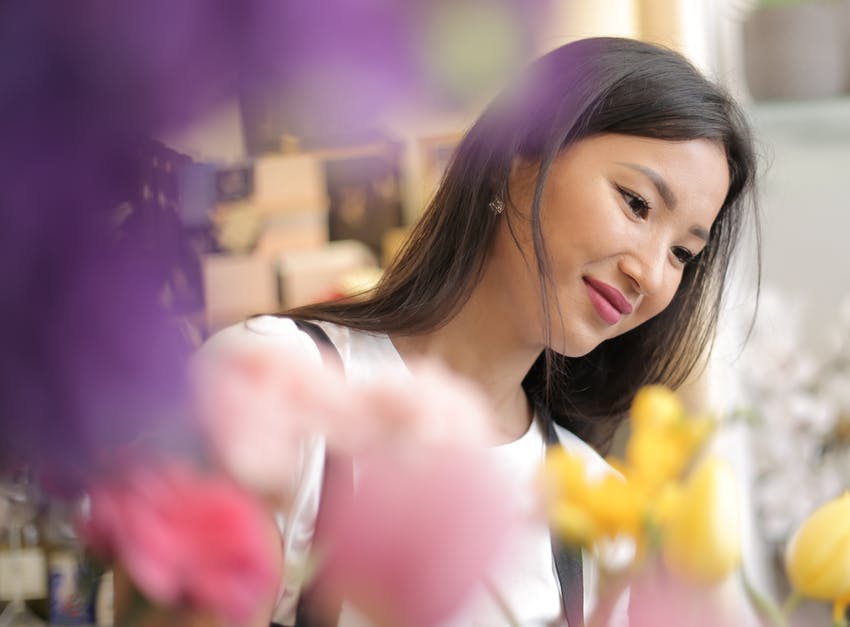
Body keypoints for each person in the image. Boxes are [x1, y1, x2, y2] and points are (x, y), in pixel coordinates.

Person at [205, 36, 759, 626]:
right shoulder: (281, 387)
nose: (648, 272)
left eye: (682, 253)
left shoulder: (594, 504)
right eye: (636, 203)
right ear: (515, 157)